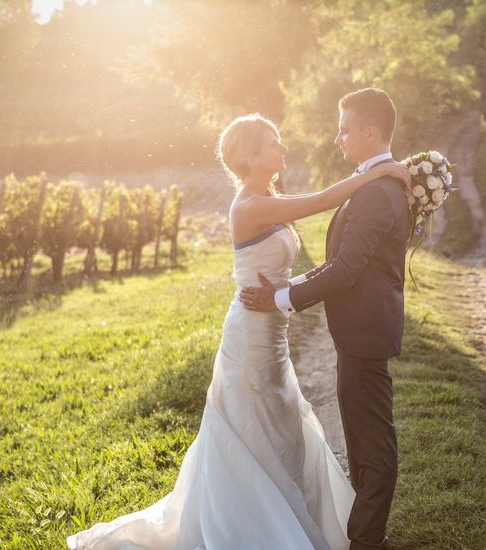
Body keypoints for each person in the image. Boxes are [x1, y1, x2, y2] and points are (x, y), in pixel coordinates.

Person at [65, 112, 409, 550]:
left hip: (274, 337)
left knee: (279, 429)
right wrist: (380, 171)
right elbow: (324, 199)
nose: (282, 149)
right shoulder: (250, 205)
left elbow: (290, 265)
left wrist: (290, 293)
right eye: (272, 143)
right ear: (248, 156)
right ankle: (250, 528)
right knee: (249, 432)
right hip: (249, 337)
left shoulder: (269, 195)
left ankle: (284, 517)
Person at [240, 88, 411, 550]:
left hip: (366, 331)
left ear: (370, 132)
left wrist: (284, 298)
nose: (339, 139)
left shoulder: (378, 190)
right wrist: (286, 289)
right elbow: (342, 259)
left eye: (345, 129)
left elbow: (347, 268)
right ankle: (366, 532)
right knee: (361, 434)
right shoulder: (377, 184)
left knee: (373, 441)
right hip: (363, 329)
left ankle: (367, 540)